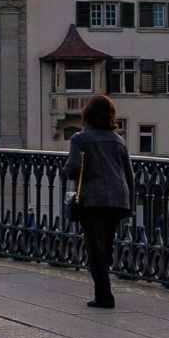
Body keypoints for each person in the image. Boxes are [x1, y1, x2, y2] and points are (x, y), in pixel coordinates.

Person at [61, 94, 134, 310]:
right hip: (117, 198)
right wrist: (128, 204)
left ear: (88, 115)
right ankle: (105, 287)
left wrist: (66, 168)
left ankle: (104, 296)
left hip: (93, 199)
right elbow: (128, 174)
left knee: (95, 248)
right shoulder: (119, 141)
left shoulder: (79, 139)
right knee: (107, 245)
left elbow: (73, 169)